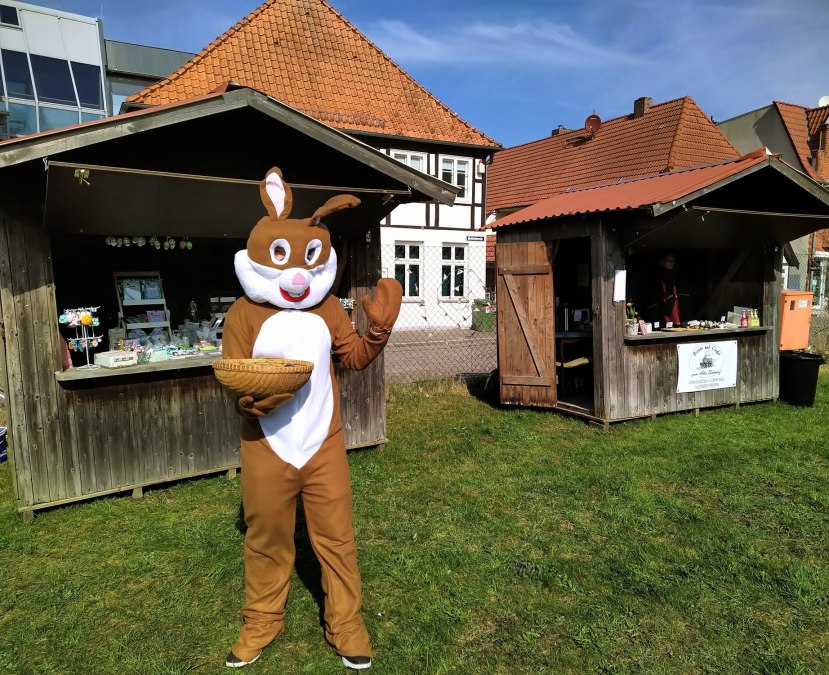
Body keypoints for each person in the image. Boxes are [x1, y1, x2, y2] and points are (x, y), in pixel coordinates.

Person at [648, 252, 683, 326]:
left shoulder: (675, 275)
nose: (672, 262)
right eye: (669, 260)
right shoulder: (656, 276)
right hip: (663, 306)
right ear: (661, 262)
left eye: (673, 260)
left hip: (675, 303)